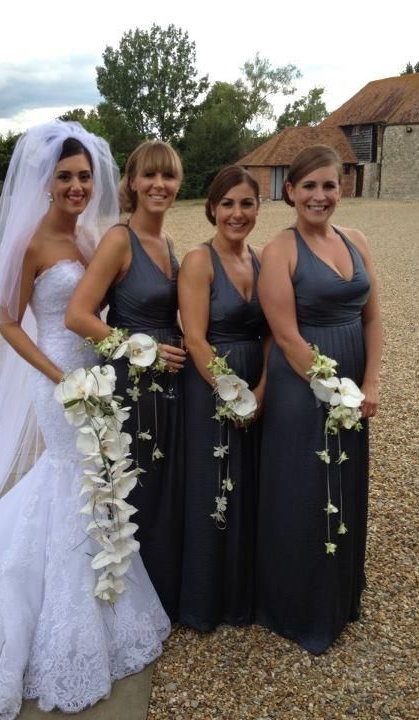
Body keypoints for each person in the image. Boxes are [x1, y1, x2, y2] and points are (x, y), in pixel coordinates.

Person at [0, 120, 169, 720]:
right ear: (45, 183)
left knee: (91, 483)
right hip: (56, 379)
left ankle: (98, 597)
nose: (77, 187)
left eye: (84, 177)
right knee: (67, 480)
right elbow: (6, 322)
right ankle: (64, 617)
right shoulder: (30, 243)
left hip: (93, 379)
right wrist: (57, 376)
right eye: (66, 178)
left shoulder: (89, 239)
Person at [256, 144, 383, 654]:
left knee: (344, 482)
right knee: (304, 490)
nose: (320, 195)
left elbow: (372, 317)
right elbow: (285, 337)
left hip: (352, 386)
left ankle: (339, 595)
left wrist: (368, 385)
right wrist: (335, 393)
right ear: (290, 191)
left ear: (341, 188)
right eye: (309, 186)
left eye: (329, 185)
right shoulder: (280, 250)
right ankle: (298, 605)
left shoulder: (357, 240)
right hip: (302, 386)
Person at [65, 140, 186, 621]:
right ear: (132, 183)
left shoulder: (168, 243)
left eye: (170, 176)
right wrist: (142, 350)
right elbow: (78, 315)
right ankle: (134, 598)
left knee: (161, 484)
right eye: (150, 176)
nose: (160, 185)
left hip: (169, 384)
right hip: (132, 382)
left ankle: (161, 593)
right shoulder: (120, 239)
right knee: (136, 485)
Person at [177, 165, 268, 632]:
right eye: (227, 204)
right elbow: (194, 338)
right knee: (215, 484)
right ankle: (208, 600)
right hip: (212, 384)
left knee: (249, 484)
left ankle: (244, 593)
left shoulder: (261, 258)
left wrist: (262, 390)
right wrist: (234, 397)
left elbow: (272, 332)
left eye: (246, 203)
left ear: (259, 207)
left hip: (255, 383)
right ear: (212, 207)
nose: (237, 213)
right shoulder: (199, 260)